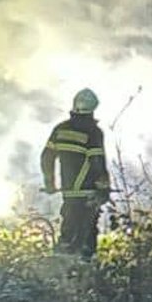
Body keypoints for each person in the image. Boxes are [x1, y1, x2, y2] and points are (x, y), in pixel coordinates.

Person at [41, 87, 111, 257]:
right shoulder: (93, 133)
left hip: (69, 192)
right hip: (88, 193)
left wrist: (50, 184)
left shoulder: (60, 129)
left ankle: (59, 272)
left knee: (68, 233)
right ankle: (83, 275)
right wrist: (103, 190)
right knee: (86, 238)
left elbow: (46, 158)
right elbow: (97, 163)